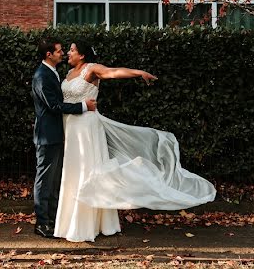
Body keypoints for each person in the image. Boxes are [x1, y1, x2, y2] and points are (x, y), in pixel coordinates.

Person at [53, 40, 216, 243]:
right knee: (73, 171)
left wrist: (138, 72)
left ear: (83, 55)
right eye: (68, 50)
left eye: (72, 50)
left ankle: (88, 225)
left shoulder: (92, 69)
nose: (68, 53)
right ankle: (70, 222)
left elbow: (114, 72)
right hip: (70, 127)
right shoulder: (68, 75)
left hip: (86, 128)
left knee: (88, 170)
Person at [31, 38, 97, 239]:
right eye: (60, 51)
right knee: (44, 181)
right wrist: (83, 106)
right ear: (49, 54)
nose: (64, 53)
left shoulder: (53, 73)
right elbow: (54, 106)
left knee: (54, 181)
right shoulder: (42, 76)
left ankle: (53, 220)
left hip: (57, 134)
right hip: (47, 136)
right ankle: (42, 224)